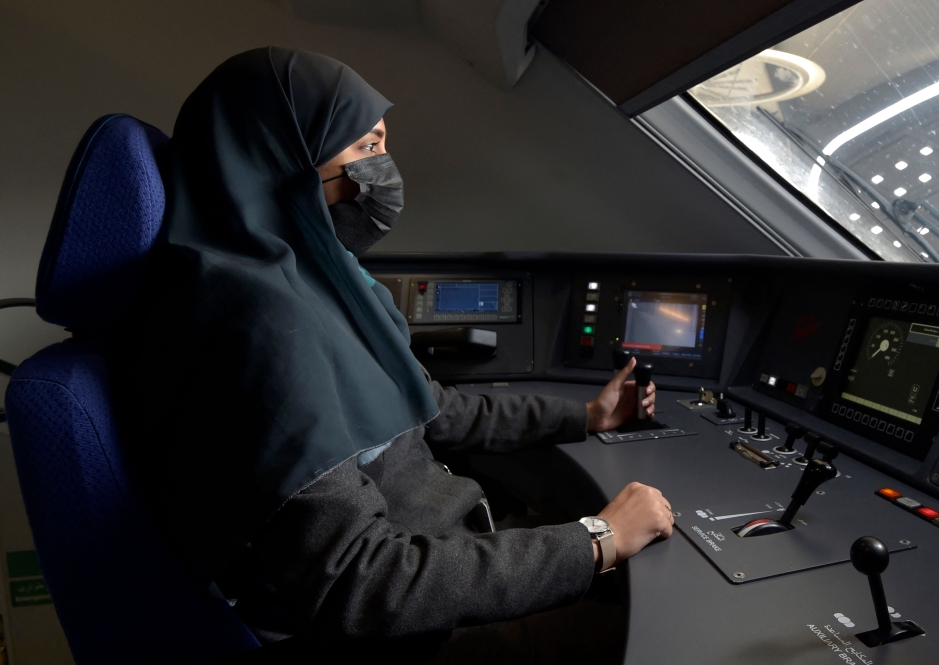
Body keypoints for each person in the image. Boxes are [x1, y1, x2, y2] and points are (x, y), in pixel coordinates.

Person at [117, 47, 673, 662]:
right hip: (406, 629)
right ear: (281, 162)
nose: (382, 171)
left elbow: (436, 411)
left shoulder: (318, 286)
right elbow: (361, 584)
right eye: (365, 149)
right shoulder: (253, 330)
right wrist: (597, 540)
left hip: (439, 555)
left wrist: (588, 417)